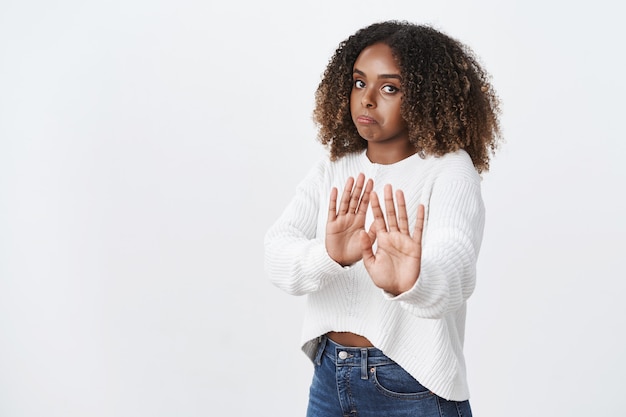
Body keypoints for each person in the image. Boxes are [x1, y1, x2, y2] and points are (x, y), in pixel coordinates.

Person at [264, 20, 501, 417]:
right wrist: (329, 255)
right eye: (359, 83)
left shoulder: (449, 170)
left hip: (412, 386)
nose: (367, 99)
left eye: (389, 87)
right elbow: (276, 251)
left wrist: (415, 280)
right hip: (329, 379)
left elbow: (457, 263)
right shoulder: (335, 166)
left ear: (428, 98)